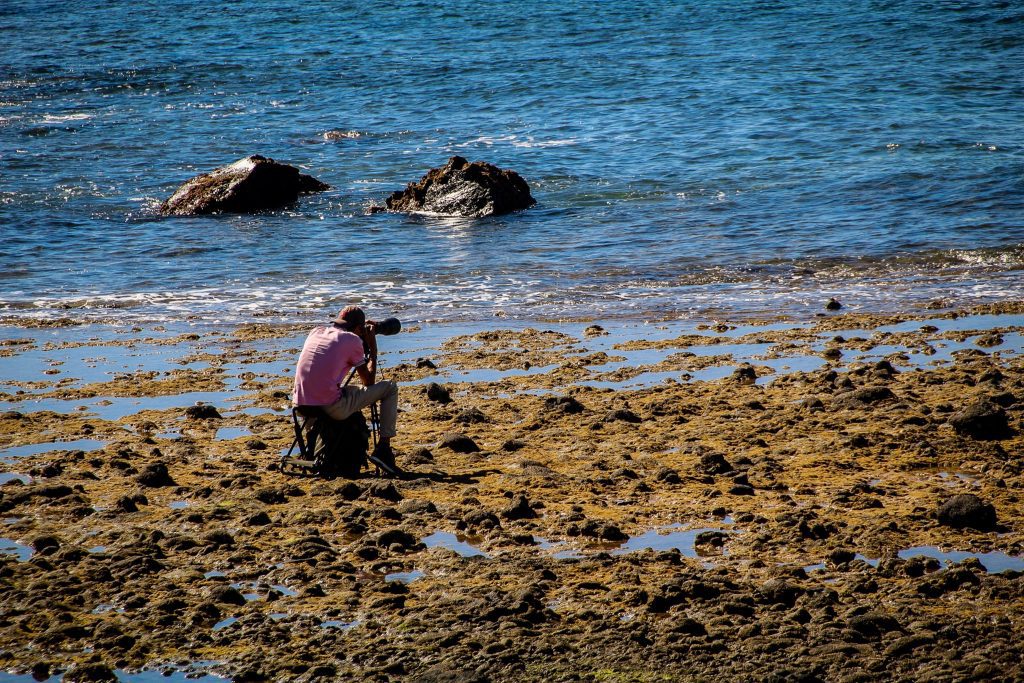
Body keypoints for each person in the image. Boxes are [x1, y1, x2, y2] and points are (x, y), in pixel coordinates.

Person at [293, 306, 400, 474]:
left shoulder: (316, 332)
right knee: (390, 388)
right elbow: (369, 381)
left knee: (342, 389)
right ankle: (384, 450)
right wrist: (372, 348)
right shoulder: (352, 340)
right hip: (331, 407)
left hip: (301, 406)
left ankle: (312, 449)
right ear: (358, 328)